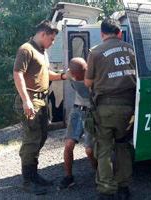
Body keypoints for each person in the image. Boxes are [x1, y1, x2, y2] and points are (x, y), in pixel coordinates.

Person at [13, 20, 67, 195]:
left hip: (42, 101)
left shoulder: (42, 52)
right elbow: (18, 74)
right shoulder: (26, 49)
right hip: (31, 99)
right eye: (51, 39)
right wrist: (26, 101)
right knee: (32, 140)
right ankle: (28, 181)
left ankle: (34, 175)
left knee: (41, 137)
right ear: (43, 34)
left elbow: (45, 74)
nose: (52, 43)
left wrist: (64, 76)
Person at [84, 18, 136, 200]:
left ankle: (106, 190)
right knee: (122, 146)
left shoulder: (96, 52)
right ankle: (124, 188)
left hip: (105, 108)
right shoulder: (131, 50)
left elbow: (88, 82)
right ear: (119, 33)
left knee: (104, 148)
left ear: (102, 34)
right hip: (129, 107)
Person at [58, 57, 98, 190]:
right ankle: (68, 177)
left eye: (79, 74)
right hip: (77, 109)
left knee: (89, 150)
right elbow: (64, 74)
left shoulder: (93, 76)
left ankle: (98, 173)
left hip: (91, 112)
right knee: (68, 145)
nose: (75, 77)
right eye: (74, 75)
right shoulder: (70, 74)